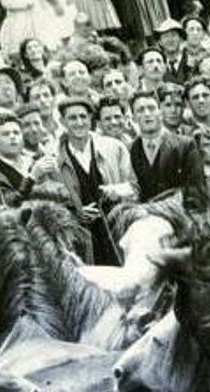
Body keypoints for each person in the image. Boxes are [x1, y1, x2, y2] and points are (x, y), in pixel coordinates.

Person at [55, 96, 138, 266]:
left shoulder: (114, 148)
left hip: (117, 230)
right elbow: (55, 208)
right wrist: (75, 212)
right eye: (72, 118)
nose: (79, 122)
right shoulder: (56, 160)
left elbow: (135, 188)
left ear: (90, 119)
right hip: (83, 240)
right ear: (63, 121)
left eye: (83, 116)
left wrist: (118, 191)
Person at [128, 90, 207, 206]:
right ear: (133, 117)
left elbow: (195, 191)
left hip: (178, 217)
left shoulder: (185, 145)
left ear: (160, 112)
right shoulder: (132, 149)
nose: (147, 114)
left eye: (151, 108)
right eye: (140, 110)